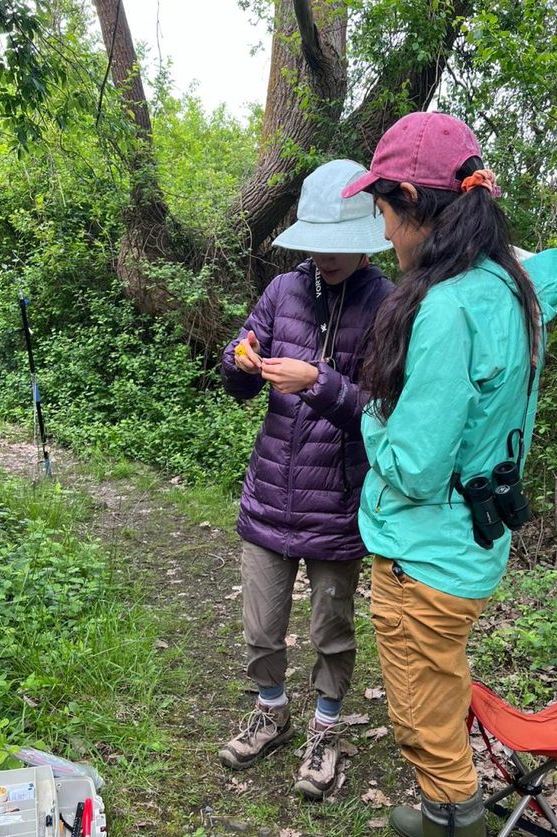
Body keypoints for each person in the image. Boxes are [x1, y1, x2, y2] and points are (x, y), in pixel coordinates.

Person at [340, 112, 557, 837]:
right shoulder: (514, 283)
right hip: (474, 545)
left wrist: (371, 418)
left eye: (385, 210)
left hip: (425, 556)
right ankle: (441, 822)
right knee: (441, 691)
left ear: (411, 201)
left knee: (426, 721)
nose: (384, 230)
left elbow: (413, 464)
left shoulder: (445, 309)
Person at [219, 159, 393, 800]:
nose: (327, 256)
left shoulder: (386, 304)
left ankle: (325, 727)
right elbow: (241, 372)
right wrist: (240, 363)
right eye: (317, 242)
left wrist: (315, 383)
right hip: (271, 489)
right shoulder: (281, 292)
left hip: (339, 498)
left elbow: (381, 412)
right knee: (261, 624)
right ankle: (272, 712)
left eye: (340, 246)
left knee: (331, 626)